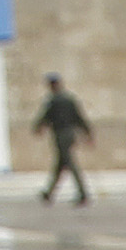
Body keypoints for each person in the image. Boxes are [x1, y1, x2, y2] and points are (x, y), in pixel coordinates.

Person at [34, 71, 93, 205]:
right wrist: (88, 133)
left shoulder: (53, 101)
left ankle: (83, 193)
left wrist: (38, 128)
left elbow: (45, 117)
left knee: (70, 164)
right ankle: (49, 193)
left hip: (61, 135)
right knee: (60, 164)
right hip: (70, 134)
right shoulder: (69, 99)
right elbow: (79, 117)